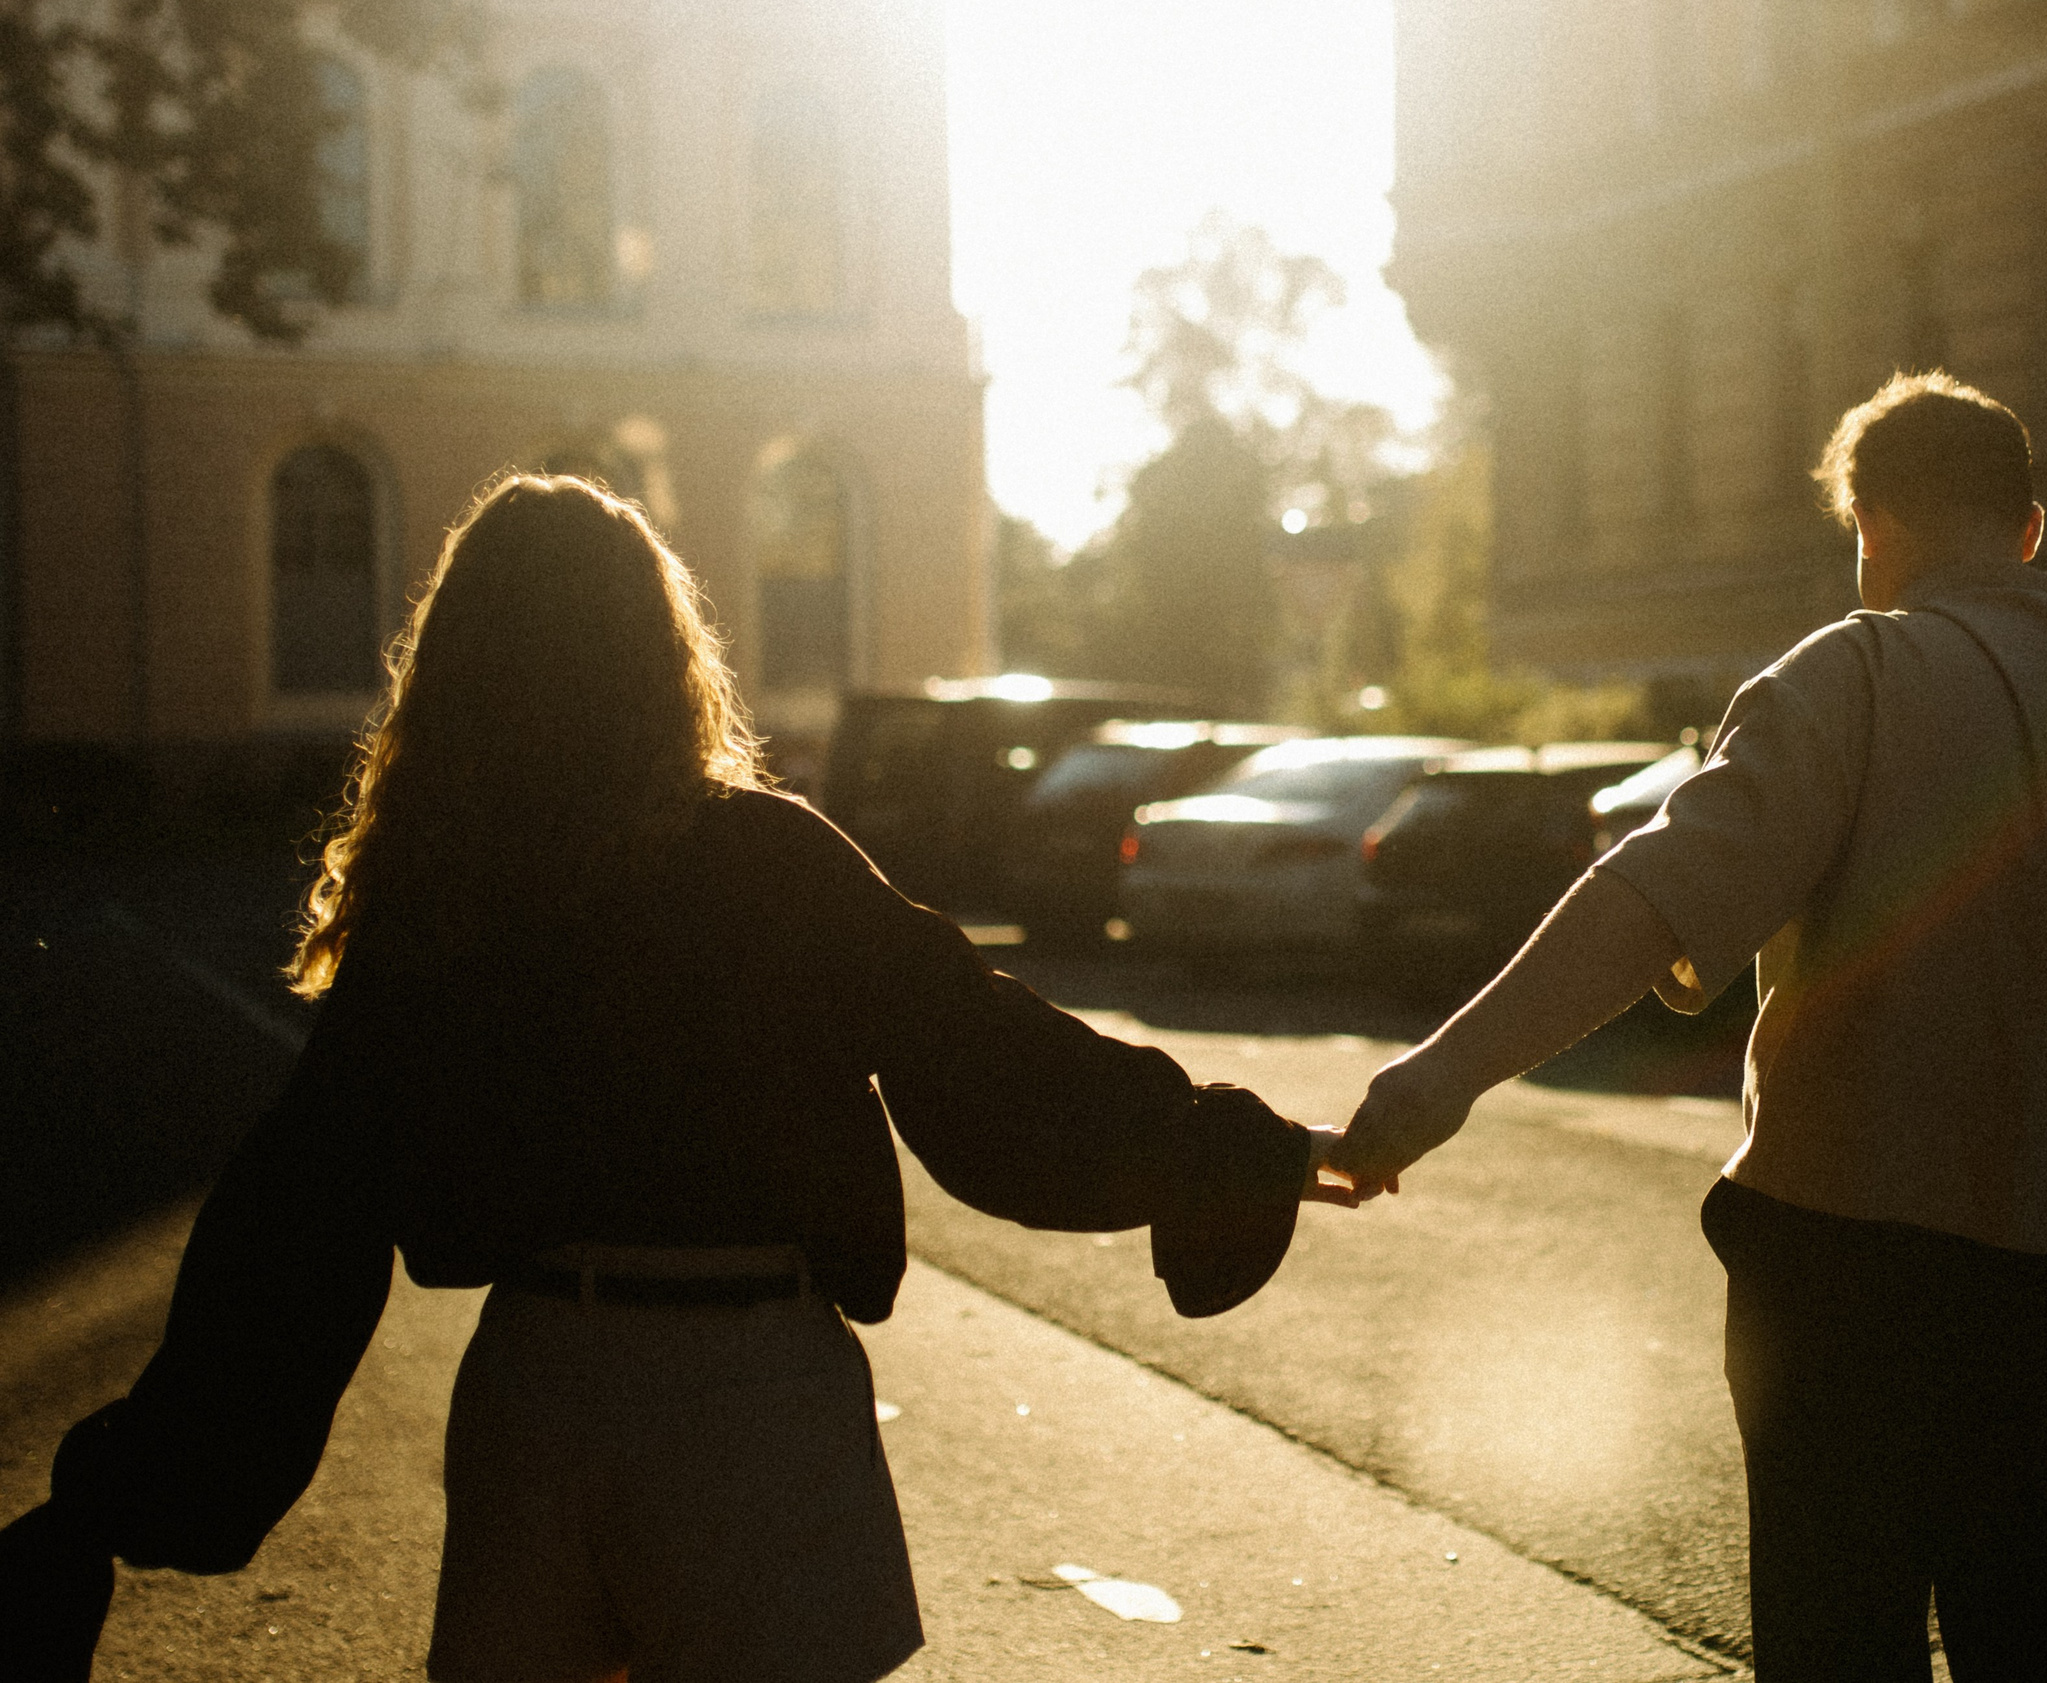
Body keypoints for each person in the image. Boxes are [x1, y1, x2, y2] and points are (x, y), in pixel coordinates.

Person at [0, 474, 1349, 1683]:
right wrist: (1226, 1151)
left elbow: (302, 1217)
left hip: (541, 1386)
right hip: (753, 1391)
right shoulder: (769, 859)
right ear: (661, 653)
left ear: (459, 667)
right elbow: (984, 1053)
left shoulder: (445, 898)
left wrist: (126, 1492)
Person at [1331, 373, 2047, 1681]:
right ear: (2031, 528)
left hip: (1856, 1274)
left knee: (1840, 1644)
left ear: (1869, 526)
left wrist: (1438, 1081)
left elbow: (1646, 898)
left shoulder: (1856, 675)